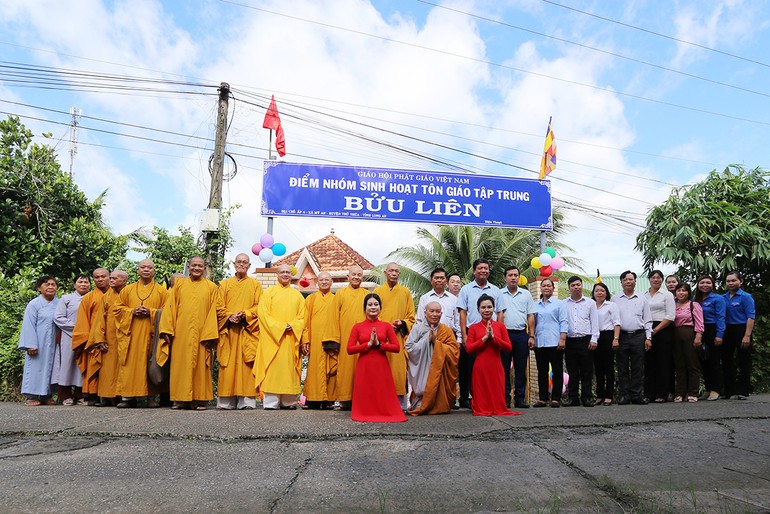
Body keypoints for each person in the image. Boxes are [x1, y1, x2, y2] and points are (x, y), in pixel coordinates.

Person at [158, 257, 222, 410]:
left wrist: (210, 334)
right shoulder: (179, 285)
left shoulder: (212, 287)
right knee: (180, 365)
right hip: (181, 332)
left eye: (200, 266)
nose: (197, 268)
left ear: (204, 268)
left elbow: (214, 311)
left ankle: (201, 399)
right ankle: (180, 399)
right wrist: (167, 329)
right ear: (189, 266)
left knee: (201, 366)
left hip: (203, 332)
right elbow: (170, 308)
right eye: (194, 265)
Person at [114, 259, 168, 408]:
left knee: (150, 364)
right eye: (143, 267)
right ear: (138, 270)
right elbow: (117, 310)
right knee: (130, 365)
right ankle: (128, 398)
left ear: (154, 270)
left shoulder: (162, 291)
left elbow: (167, 312)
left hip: (151, 335)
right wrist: (132, 311)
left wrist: (151, 312)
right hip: (131, 335)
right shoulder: (127, 290)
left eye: (149, 267)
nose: (146, 270)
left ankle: (150, 398)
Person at [347, 293, 406, 422]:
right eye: (370, 304)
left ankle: (383, 411)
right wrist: (367, 344)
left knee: (381, 390)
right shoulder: (357, 327)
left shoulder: (386, 326)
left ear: (380, 307)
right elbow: (349, 349)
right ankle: (365, 412)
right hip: (364, 364)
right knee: (366, 391)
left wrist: (379, 344)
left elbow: (396, 347)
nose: (373, 307)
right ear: (365, 308)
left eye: (376, 304)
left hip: (381, 364)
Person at [255, 264, 306, 410]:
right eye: (282, 272)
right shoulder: (268, 293)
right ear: (277, 274)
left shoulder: (297, 295)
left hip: (290, 338)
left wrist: (293, 325)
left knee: (289, 368)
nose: (285, 275)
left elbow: (303, 317)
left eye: (288, 273)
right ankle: (271, 402)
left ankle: (288, 401)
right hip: (273, 339)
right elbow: (263, 316)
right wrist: (280, 327)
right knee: (273, 368)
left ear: (292, 275)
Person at [216, 253, 262, 410]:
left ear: (249, 266)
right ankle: (225, 402)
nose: (242, 264)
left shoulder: (255, 285)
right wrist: (230, 316)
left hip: (246, 330)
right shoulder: (224, 285)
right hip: (229, 330)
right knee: (227, 365)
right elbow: (218, 307)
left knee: (246, 365)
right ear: (234, 264)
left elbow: (259, 306)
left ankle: (247, 401)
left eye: (245, 262)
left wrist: (244, 314)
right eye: (239, 262)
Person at [457, 259, 503, 409]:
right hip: (473, 333)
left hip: (492, 335)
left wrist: (499, 332)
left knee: (490, 368)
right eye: (480, 268)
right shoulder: (466, 289)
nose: (483, 270)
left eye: (486, 268)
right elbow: (462, 313)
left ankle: (489, 399)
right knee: (468, 367)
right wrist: (464, 335)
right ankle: (466, 398)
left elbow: (500, 313)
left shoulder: (496, 290)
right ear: (474, 271)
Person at [465, 294, 518, 416]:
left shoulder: (500, 326)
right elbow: (469, 349)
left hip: (496, 365)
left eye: (489, 307)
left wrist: (494, 338)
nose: (486, 310)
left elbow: (508, 347)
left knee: (496, 392)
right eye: (483, 307)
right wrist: (484, 338)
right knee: (481, 394)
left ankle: (497, 406)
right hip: (480, 366)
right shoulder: (473, 327)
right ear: (478, 309)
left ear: (494, 308)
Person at [374, 262, 415, 410]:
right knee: (381, 369)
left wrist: (401, 323)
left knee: (398, 371)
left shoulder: (405, 292)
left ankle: (400, 404)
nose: (394, 273)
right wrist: (383, 327)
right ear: (385, 273)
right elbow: (372, 313)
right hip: (381, 338)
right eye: (391, 271)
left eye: (397, 271)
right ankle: (380, 403)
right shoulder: (378, 291)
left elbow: (411, 318)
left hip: (398, 337)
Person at [406, 301, 459, 415]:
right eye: (432, 311)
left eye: (438, 312)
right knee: (421, 402)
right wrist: (426, 341)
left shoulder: (446, 330)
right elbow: (409, 347)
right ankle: (422, 400)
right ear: (425, 313)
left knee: (442, 406)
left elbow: (454, 352)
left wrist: (436, 343)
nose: (435, 314)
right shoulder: (417, 328)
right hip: (423, 369)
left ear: (441, 314)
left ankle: (438, 403)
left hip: (440, 371)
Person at [330, 265, 368, 410]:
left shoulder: (366, 294)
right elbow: (333, 317)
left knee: (362, 368)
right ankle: (345, 401)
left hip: (363, 339)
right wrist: (335, 339)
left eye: (359, 275)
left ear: (362, 278)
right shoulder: (340, 294)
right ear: (348, 276)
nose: (356, 277)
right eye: (354, 274)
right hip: (345, 337)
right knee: (345, 369)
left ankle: (362, 400)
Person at [612, 271, 652, 405]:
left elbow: (648, 320)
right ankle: (624, 395)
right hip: (621, 336)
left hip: (638, 336)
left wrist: (648, 337)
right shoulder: (615, 299)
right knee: (622, 367)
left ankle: (636, 395)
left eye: (631, 279)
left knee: (638, 367)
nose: (628, 282)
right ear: (621, 282)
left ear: (635, 281)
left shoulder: (642, 298)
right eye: (625, 279)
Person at [19, 276, 60, 406]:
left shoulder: (59, 304)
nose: (50, 287)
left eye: (53, 284)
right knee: (36, 367)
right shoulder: (34, 304)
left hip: (54, 342)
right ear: (39, 288)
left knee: (52, 368)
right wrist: (30, 344)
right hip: (38, 342)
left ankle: (46, 396)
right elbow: (28, 325)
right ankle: (31, 396)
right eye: (46, 284)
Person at [72, 267, 110, 405]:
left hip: (113, 339)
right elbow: (83, 320)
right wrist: (92, 341)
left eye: (103, 276)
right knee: (94, 366)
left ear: (109, 277)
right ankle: (92, 395)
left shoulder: (119, 294)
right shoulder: (89, 297)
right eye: (97, 277)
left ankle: (111, 396)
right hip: (94, 341)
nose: (100, 279)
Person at [499, 265, 536, 408]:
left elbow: (530, 315)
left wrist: (531, 336)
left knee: (521, 368)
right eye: (510, 275)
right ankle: (505, 398)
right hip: (504, 335)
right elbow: (497, 315)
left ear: (519, 277)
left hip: (521, 335)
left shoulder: (526, 294)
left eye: (516, 275)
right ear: (505, 277)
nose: (513, 278)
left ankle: (520, 399)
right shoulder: (499, 294)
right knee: (504, 368)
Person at [90, 269, 128, 406]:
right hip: (109, 339)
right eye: (110, 278)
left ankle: (124, 397)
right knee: (107, 369)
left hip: (126, 337)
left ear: (124, 280)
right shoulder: (107, 296)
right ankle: (106, 397)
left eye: (114, 278)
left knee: (124, 368)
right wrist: (100, 339)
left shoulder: (129, 293)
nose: (110, 281)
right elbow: (100, 319)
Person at [302, 271, 337, 409]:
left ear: (331, 282)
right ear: (317, 282)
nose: (324, 282)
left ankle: (329, 400)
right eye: (321, 279)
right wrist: (305, 339)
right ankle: (312, 399)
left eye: (327, 280)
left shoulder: (336, 299)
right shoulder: (310, 299)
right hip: (315, 339)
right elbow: (305, 320)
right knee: (314, 368)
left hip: (331, 338)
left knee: (331, 368)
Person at [52, 274, 89, 405]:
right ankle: (65, 395)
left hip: (87, 337)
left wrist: (87, 332)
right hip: (69, 336)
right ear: (74, 285)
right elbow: (58, 317)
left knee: (82, 364)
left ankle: (80, 394)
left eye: (86, 282)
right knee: (67, 364)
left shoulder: (92, 298)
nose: (83, 284)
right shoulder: (66, 299)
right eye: (80, 282)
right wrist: (78, 329)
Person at [563, 276, 599, 407]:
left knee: (587, 371)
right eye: (573, 285)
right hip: (570, 341)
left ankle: (587, 397)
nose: (576, 287)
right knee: (572, 371)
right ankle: (573, 398)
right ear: (569, 288)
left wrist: (594, 339)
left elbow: (595, 322)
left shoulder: (590, 303)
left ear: (582, 286)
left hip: (586, 340)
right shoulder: (563, 303)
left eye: (578, 284)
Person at [532, 278, 567, 408]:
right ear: (540, 288)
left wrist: (562, 338)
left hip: (555, 341)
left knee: (557, 371)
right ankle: (542, 398)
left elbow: (564, 321)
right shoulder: (535, 305)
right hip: (540, 342)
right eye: (544, 286)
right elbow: (532, 323)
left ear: (553, 288)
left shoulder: (559, 304)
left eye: (549, 286)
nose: (546, 288)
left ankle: (556, 398)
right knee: (542, 371)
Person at [643, 270, 676, 403]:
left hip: (663, 329)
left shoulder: (667, 295)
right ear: (649, 279)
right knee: (649, 362)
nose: (655, 280)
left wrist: (655, 330)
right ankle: (648, 393)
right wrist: (648, 331)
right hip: (646, 329)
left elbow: (670, 315)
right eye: (653, 277)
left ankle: (662, 394)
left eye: (658, 278)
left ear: (662, 280)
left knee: (663, 362)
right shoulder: (642, 295)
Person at [721, 271, 755, 400]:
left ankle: (742, 391)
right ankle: (729, 391)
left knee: (743, 361)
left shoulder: (746, 297)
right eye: (728, 281)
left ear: (740, 282)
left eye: (733, 280)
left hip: (742, 329)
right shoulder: (723, 297)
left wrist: (747, 335)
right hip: (727, 330)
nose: (730, 283)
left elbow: (751, 317)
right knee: (726, 361)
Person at [693, 275, 725, 401]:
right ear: (698, 285)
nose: (705, 285)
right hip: (699, 331)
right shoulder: (695, 299)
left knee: (714, 360)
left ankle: (716, 389)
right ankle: (707, 389)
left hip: (713, 329)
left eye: (708, 283)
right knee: (703, 360)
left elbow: (721, 317)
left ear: (712, 285)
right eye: (702, 283)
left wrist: (719, 335)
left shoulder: (718, 298)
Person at [672, 283, 704, 403]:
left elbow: (700, 322)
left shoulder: (693, 305)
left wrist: (698, 336)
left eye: (684, 291)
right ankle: (680, 393)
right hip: (675, 336)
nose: (681, 293)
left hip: (690, 334)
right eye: (679, 290)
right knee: (679, 365)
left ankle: (693, 392)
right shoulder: (673, 305)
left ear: (689, 293)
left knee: (692, 364)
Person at [592, 283, 620, 406]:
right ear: (593, 293)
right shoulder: (590, 305)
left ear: (606, 292)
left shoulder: (611, 305)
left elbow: (616, 323)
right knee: (598, 368)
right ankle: (599, 395)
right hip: (594, 337)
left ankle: (609, 395)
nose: (599, 293)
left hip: (608, 336)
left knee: (608, 367)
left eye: (602, 290)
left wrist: (616, 338)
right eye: (597, 290)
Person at [415, 268, 460, 342]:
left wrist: (459, 341)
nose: (439, 280)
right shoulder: (424, 298)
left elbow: (458, 321)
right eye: (436, 278)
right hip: (429, 338)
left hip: (449, 339)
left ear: (446, 281)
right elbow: (419, 320)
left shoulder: (454, 299)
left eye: (442, 278)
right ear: (431, 280)